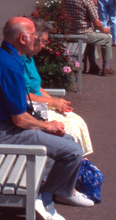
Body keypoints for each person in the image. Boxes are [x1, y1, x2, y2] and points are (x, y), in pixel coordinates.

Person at [0, 17, 90, 220]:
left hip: (5, 127)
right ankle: (43, 197)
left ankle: (59, 191)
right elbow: (20, 120)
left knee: (69, 141)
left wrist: (46, 126)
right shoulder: (9, 65)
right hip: (4, 133)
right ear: (23, 37)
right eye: (35, 36)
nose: (37, 39)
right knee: (72, 151)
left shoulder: (9, 57)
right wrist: (46, 126)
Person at [23, 21, 93, 155]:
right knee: (69, 129)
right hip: (31, 108)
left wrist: (55, 103)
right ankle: (69, 161)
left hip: (39, 104)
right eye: (43, 42)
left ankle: (78, 162)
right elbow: (24, 95)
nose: (44, 45)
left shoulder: (29, 58)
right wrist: (52, 103)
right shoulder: (19, 61)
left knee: (77, 121)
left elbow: (37, 87)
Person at [63, 0, 114, 75]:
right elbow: (96, 21)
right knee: (106, 38)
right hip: (83, 33)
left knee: (93, 38)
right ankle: (106, 68)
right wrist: (104, 30)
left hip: (69, 32)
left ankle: (94, 66)